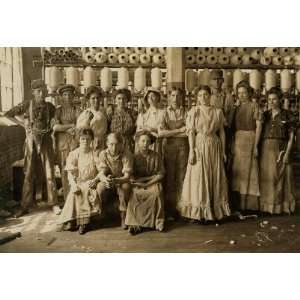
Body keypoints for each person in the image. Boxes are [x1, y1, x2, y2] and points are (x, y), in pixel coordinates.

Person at [5, 79, 60, 217]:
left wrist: (54, 122)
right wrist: (24, 125)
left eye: (43, 90)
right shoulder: (27, 105)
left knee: (49, 173)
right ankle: (25, 205)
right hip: (31, 142)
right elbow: (9, 114)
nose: (41, 93)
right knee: (28, 174)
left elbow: (56, 120)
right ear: (33, 92)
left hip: (46, 141)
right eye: (38, 91)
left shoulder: (50, 107)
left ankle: (53, 203)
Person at [177, 85, 230, 222]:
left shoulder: (218, 112)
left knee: (214, 175)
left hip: (214, 145)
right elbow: (191, 133)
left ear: (210, 96)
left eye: (206, 95)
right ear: (197, 98)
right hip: (199, 145)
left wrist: (223, 151)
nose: (203, 98)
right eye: (200, 95)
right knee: (199, 177)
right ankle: (199, 212)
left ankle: (214, 210)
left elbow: (222, 133)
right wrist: (192, 151)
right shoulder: (194, 111)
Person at [57, 128, 103, 234]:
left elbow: (101, 170)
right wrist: (73, 184)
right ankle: (71, 220)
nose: (85, 142)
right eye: (82, 139)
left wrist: (95, 180)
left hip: (91, 182)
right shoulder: (74, 154)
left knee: (85, 190)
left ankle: (83, 223)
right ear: (79, 139)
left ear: (91, 140)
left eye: (88, 139)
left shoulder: (94, 154)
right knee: (74, 193)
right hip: (79, 182)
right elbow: (70, 172)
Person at [259, 87, 296, 214]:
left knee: (280, 177)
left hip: (281, 148)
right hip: (266, 147)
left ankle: (281, 207)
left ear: (280, 100)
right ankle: (267, 207)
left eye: (274, 99)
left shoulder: (288, 114)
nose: (271, 102)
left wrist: (287, 153)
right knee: (267, 177)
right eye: (269, 99)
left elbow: (291, 137)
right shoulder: (265, 115)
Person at [231, 80, 263, 212]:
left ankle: (249, 206)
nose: (241, 95)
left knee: (250, 172)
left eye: (244, 92)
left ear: (249, 93)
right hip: (238, 141)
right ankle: (239, 205)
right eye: (239, 93)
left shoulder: (254, 105)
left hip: (250, 140)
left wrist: (255, 146)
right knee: (238, 174)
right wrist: (233, 144)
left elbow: (259, 127)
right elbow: (232, 128)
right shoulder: (236, 108)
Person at [125, 131, 165, 235]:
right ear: (138, 142)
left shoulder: (156, 156)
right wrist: (136, 181)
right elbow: (131, 174)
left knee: (157, 193)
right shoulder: (133, 157)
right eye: (143, 141)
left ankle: (158, 222)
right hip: (138, 183)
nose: (145, 144)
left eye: (148, 141)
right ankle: (135, 224)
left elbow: (161, 174)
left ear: (151, 143)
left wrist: (148, 183)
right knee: (134, 194)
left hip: (152, 182)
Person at [158, 87, 188, 219]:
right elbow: (161, 133)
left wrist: (170, 133)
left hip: (183, 148)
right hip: (168, 148)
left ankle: (181, 208)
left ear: (181, 98)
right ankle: (169, 209)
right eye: (173, 95)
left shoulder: (186, 112)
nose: (175, 98)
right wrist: (179, 130)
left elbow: (188, 132)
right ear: (169, 97)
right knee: (169, 177)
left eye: (178, 96)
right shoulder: (164, 113)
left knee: (182, 176)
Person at [97, 133, 133, 229]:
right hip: (109, 179)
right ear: (107, 144)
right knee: (100, 188)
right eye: (111, 144)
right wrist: (105, 179)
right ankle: (103, 214)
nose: (114, 147)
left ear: (121, 144)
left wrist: (117, 180)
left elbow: (127, 176)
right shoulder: (102, 154)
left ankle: (123, 216)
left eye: (117, 144)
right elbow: (101, 173)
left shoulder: (126, 154)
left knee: (125, 187)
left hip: (122, 180)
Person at [53, 84, 81, 201]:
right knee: (65, 172)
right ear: (61, 97)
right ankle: (67, 201)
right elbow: (55, 127)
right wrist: (70, 126)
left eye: (70, 94)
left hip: (75, 144)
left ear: (73, 96)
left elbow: (81, 125)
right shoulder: (58, 111)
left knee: (77, 171)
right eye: (65, 94)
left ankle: (77, 200)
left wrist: (71, 128)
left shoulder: (77, 110)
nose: (68, 97)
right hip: (63, 145)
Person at [76, 85, 107, 151]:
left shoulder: (103, 112)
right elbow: (79, 130)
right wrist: (87, 121)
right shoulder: (86, 113)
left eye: (98, 98)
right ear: (88, 100)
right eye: (93, 98)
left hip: (102, 142)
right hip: (90, 143)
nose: (96, 100)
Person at [136, 88, 165, 157]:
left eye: (153, 96)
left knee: (155, 161)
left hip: (156, 143)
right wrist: (150, 130)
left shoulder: (162, 113)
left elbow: (162, 129)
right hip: (144, 143)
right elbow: (139, 130)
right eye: (148, 97)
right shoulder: (143, 114)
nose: (150, 99)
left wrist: (148, 129)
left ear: (158, 98)